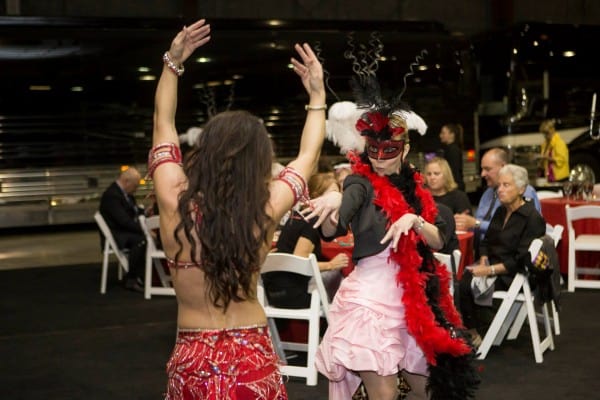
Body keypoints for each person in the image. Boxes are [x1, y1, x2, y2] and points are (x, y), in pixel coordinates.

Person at [148, 19, 327, 399]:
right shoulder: (263, 209)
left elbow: (163, 123)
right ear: (259, 160)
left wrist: (172, 63)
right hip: (251, 358)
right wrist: (316, 97)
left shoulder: (171, 197)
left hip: (193, 358)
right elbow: (308, 156)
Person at [304, 79, 478, 400]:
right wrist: (332, 202)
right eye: (374, 151)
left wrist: (414, 220)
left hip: (413, 301)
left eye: (390, 151)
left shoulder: (418, 190)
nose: (380, 159)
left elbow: (439, 241)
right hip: (371, 300)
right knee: (383, 395)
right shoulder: (359, 183)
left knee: (425, 391)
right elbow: (335, 227)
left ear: (405, 149)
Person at [457, 164, 546, 345]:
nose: (500, 190)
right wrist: (483, 258)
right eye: (500, 185)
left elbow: (521, 261)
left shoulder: (532, 219)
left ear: (521, 189)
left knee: (465, 284)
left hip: (514, 275)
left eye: (506, 185)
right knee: (462, 280)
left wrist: (489, 270)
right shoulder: (501, 211)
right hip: (495, 266)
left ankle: (477, 334)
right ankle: (474, 332)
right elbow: (486, 242)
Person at [264, 173, 348, 308]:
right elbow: (300, 260)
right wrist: (332, 264)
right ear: (316, 196)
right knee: (340, 286)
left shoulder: (297, 216)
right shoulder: (312, 221)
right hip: (290, 294)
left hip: (272, 292)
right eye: (332, 194)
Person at [455, 147, 541, 240]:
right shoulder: (487, 193)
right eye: (482, 169)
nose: (482, 174)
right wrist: (464, 222)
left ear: (503, 167)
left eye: (487, 169)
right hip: (485, 249)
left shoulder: (522, 191)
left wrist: (476, 224)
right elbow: (477, 223)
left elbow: (520, 229)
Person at [98, 166, 146, 292]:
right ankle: (132, 278)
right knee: (142, 240)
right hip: (117, 235)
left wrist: (144, 211)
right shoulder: (112, 195)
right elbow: (124, 221)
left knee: (143, 238)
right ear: (126, 181)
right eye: (135, 186)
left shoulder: (123, 193)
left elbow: (132, 209)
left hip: (122, 231)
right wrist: (145, 230)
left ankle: (140, 275)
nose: (135, 190)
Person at [439, 123, 465, 191]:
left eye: (443, 133)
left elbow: (454, 171)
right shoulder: (448, 149)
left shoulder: (453, 150)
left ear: (452, 134)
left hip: (455, 186)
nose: (440, 136)